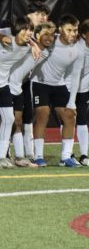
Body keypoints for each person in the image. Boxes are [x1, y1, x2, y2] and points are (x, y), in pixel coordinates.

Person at [0, 17, 35, 169]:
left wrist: (34, 45)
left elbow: (34, 41)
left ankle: (1, 156)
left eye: (30, 29)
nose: (28, 32)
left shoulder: (28, 46)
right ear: (17, 29)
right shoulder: (4, 37)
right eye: (25, 29)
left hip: (4, 84)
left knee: (9, 119)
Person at [31, 14, 82, 167]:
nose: (72, 34)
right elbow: (33, 39)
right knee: (43, 113)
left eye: (75, 30)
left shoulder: (78, 48)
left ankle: (66, 157)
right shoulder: (51, 40)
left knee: (70, 116)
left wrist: (72, 101)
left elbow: (75, 75)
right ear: (61, 29)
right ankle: (38, 156)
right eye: (69, 30)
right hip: (39, 82)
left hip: (59, 84)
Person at [9, 22, 55, 166]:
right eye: (45, 34)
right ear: (36, 36)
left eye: (52, 35)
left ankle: (21, 155)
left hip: (20, 86)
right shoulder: (26, 47)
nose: (50, 38)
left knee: (19, 120)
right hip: (5, 84)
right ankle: (5, 155)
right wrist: (32, 43)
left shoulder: (46, 52)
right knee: (5, 121)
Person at [72, 19, 89, 166]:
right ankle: (68, 154)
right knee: (68, 120)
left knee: (82, 120)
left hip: (83, 89)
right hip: (67, 87)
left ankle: (84, 155)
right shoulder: (77, 48)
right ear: (84, 35)